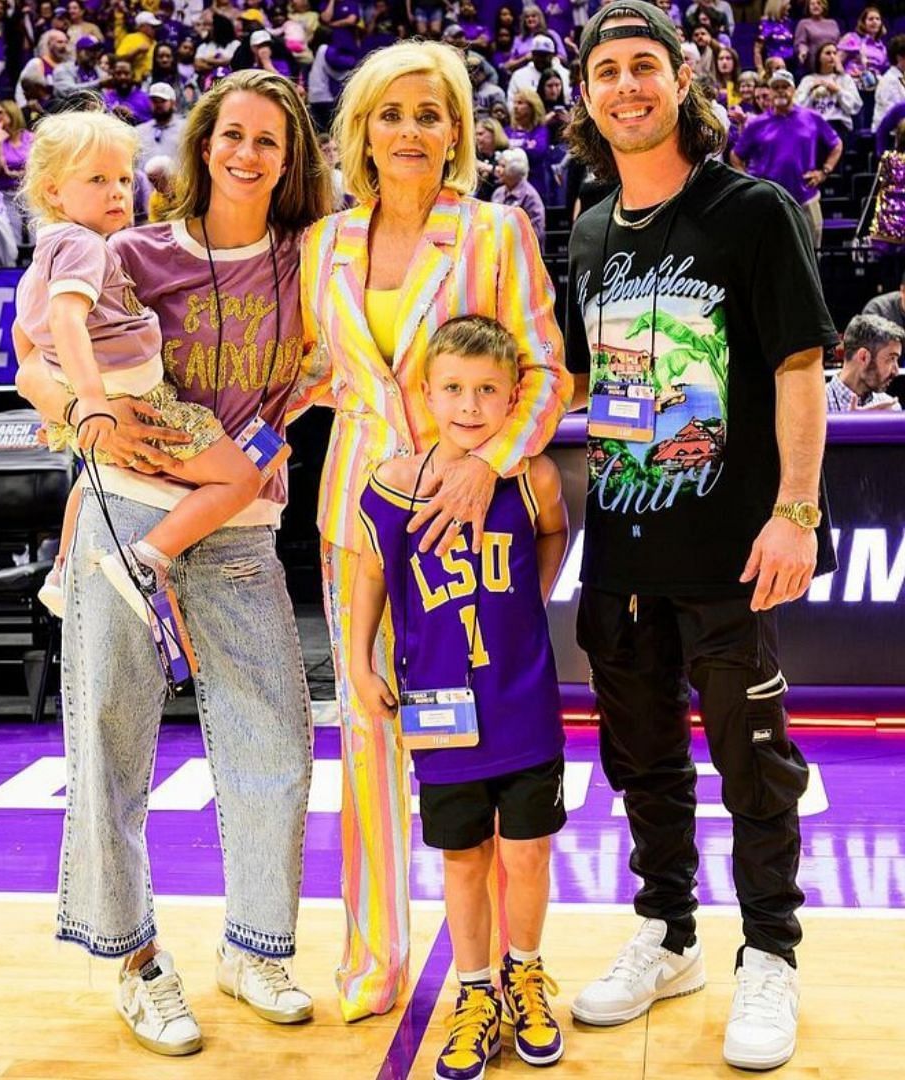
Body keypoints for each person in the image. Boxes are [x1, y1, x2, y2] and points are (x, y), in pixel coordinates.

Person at [13, 68, 334, 1057]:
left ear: (290, 161)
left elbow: (343, 360)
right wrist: (83, 416)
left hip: (239, 529)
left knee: (275, 740)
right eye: (230, 134)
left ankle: (256, 947)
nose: (246, 153)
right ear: (201, 146)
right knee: (107, 748)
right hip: (129, 512)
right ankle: (136, 963)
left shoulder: (312, 259)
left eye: (268, 141)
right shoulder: (132, 248)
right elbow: (32, 358)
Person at [562, 4, 838, 1071]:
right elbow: (578, 384)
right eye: (606, 72)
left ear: (681, 80)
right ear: (586, 96)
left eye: (644, 67)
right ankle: (667, 934)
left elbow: (797, 367)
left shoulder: (752, 209)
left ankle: (770, 950)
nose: (626, 87)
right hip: (623, 552)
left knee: (753, 762)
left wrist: (797, 509)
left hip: (730, 548)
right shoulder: (587, 228)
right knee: (641, 765)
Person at [299, 39, 569, 1023]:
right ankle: (375, 957)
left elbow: (546, 370)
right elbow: (314, 373)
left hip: (474, 520)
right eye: (391, 113)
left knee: (488, 740)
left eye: (430, 113)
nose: (410, 130)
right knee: (370, 722)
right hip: (359, 516)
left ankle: (503, 965)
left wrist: (486, 461)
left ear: (457, 130)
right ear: (360, 129)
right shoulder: (324, 244)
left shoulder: (498, 233)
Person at [349, 316, 571, 1080]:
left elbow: (553, 533)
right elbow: (371, 573)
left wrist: (529, 604)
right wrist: (356, 658)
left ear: (515, 396)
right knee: (464, 859)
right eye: (453, 389)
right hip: (440, 706)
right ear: (426, 393)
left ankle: (526, 972)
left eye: (487, 390)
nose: (470, 405)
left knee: (528, 851)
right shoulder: (390, 484)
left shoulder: (529, 472)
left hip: (522, 697)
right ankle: (475, 992)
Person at [14, 109, 263, 675]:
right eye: (98, 180)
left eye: (124, 179)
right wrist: (93, 399)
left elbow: (24, 341)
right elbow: (65, 324)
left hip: (94, 406)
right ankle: (148, 560)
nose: (118, 192)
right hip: (142, 405)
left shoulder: (50, 250)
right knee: (242, 477)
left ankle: (60, 571)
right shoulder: (81, 247)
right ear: (53, 190)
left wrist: (74, 401)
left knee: (90, 481)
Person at [730, 70, 841, 249]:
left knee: (811, 254)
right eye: (776, 87)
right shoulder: (758, 124)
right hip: (768, 202)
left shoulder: (811, 117)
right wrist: (749, 182)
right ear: (771, 91)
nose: (781, 91)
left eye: (785, 87)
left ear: (794, 90)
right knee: (770, 256)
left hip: (806, 198)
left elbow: (836, 145)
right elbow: (736, 155)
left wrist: (824, 171)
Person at [827, 314, 903, 411]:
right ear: (863, 357)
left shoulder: (890, 408)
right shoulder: (815, 404)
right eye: (891, 358)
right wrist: (848, 425)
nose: (896, 371)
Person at [793, 42, 861, 135]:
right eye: (828, 53)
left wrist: (838, 91)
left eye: (835, 53)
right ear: (819, 57)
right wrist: (810, 90)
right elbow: (797, 108)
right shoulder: (808, 80)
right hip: (814, 126)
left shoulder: (844, 79)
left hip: (838, 125)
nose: (832, 56)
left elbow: (854, 107)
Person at [491, 146, 548, 235]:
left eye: (503, 166)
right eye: (498, 165)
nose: (497, 169)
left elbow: (536, 233)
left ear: (515, 169)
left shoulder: (530, 197)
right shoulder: (498, 193)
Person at [137, 80, 187, 164]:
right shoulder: (140, 131)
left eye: (163, 101)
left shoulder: (185, 128)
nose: (158, 104)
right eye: (154, 101)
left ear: (173, 103)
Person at [792, 0, 839, 74]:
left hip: (832, 62)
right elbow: (800, 42)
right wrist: (803, 51)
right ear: (808, 7)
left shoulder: (832, 23)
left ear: (824, 6)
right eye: (812, 4)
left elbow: (837, 42)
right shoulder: (804, 23)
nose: (815, 6)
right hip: (813, 63)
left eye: (818, 3)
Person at [755, 0, 797, 75]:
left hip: (791, 65)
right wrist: (760, 69)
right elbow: (757, 50)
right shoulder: (766, 24)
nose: (789, 7)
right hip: (773, 65)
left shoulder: (789, 23)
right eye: (787, 5)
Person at [876, 33, 905, 119]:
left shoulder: (902, 76)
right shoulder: (889, 80)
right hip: (888, 130)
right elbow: (894, 113)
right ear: (899, 57)